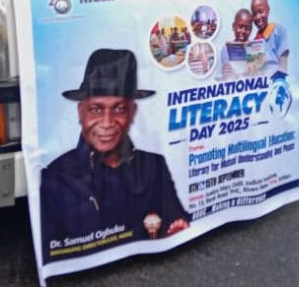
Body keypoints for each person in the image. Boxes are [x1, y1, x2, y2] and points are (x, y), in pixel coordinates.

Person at [40, 49, 189, 260]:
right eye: (96, 109)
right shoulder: (55, 176)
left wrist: (177, 226)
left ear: (132, 112)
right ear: (81, 112)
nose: (107, 123)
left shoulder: (154, 165)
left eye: (119, 109)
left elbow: (174, 215)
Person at [250, 0, 290, 74]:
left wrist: (280, 79)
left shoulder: (278, 30)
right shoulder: (254, 42)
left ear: (268, 10)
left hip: (276, 78)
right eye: (254, 14)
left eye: (260, 12)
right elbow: (253, 73)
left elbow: (283, 66)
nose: (258, 17)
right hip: (260, 80)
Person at [217, 8, 254, 80]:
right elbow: (223, 76)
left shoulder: (254, 49)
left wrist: (254, 72)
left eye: (247, 28)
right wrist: (225, 74)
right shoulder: (226, 49)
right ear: (234, 26)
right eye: (240, 27)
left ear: (251, 29)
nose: (243, 31)